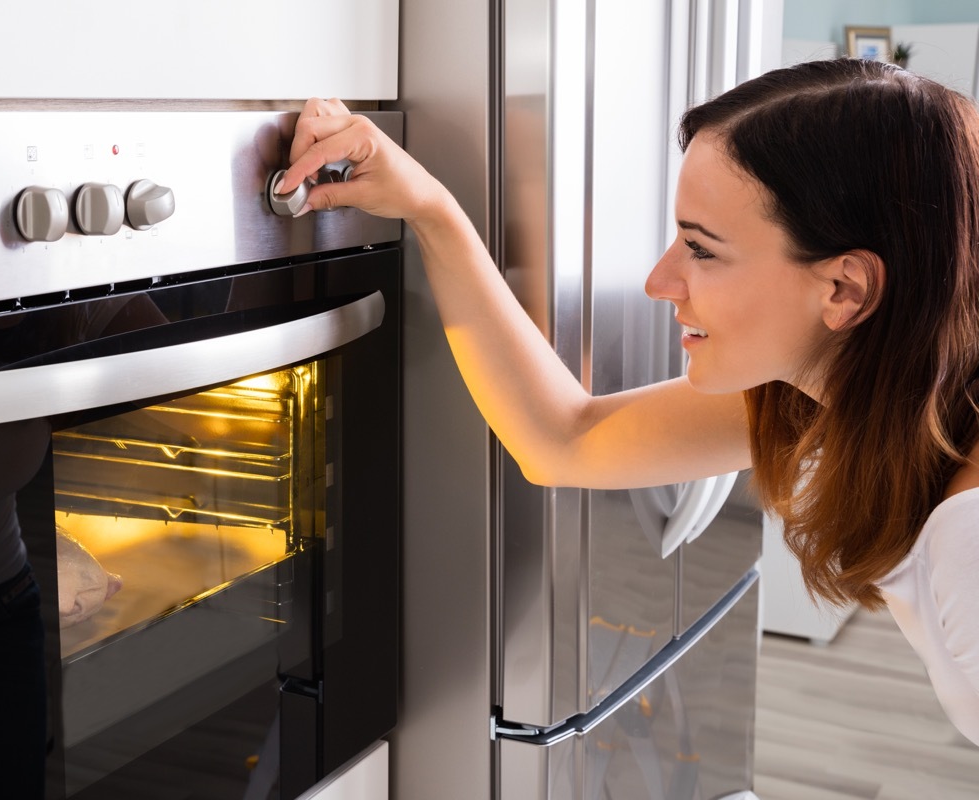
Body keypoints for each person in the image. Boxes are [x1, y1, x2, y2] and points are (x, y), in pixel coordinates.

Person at [275, 58, 979, 745]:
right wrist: (428, 206)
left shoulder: (969, 537)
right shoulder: (848, 386)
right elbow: (563, 439)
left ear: (844, 290)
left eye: (702, 249)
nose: (659, 280)